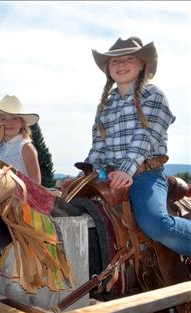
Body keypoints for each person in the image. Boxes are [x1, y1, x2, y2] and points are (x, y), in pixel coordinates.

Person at [86, 36, 191, 256]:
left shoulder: (153, 95)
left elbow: (147, 135)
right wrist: (86, 174)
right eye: (115, 61)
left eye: (128, 59)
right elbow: (98, 146)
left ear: (142, 64)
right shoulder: (106, 104)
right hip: (109, 176)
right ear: (108, 69)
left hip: (145, 174)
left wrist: (126, 169)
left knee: (155, 223)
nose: (121, 64)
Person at [0, 95, 41, 184]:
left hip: (21, 196)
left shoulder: (25, 147)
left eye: (14, 118)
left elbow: (36, 182)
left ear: (22, 123)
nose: (8, 122)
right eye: (3, 119)